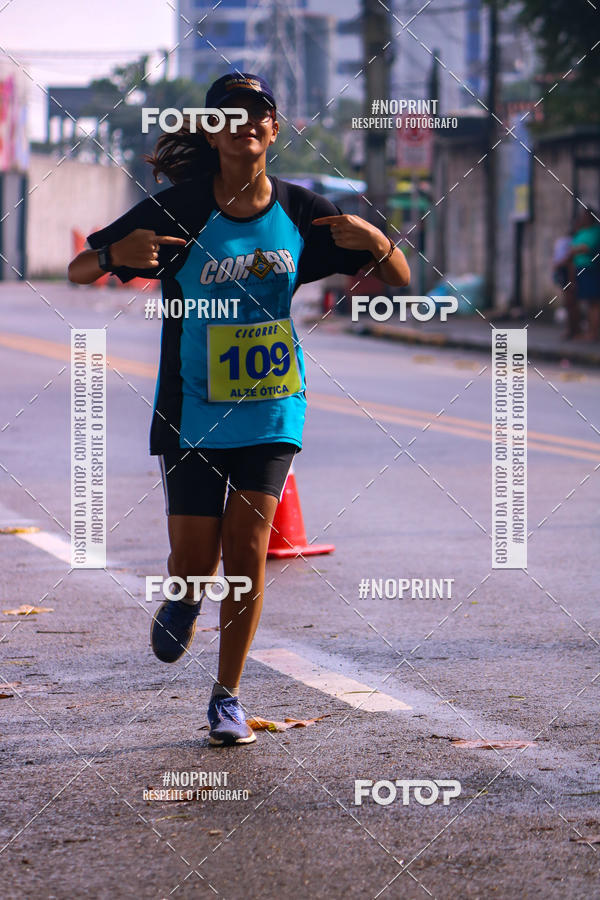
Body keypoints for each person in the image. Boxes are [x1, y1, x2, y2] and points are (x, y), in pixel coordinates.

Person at [67, 72, 410, 746]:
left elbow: (398, 279)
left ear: (274, 130)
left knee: (247, 550)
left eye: (260, 113)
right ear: (213, 130)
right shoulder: (179, 210)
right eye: (231, 115)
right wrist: (112, 255)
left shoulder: (303, 211)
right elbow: (80, 267)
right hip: (190, 407)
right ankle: (186, 592)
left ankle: (227, 695)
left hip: (272, 406)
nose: (247, 124)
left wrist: (374, 239)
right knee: (194, 556)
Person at [569, 207, 600, 341]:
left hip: (590, 268)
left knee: (594, 302)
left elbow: (587, 247)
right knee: (587, 301)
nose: (583, 218)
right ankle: (588, 331)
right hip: (578, 268)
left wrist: (574, 251)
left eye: (585, 216)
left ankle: (593, 333)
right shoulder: (581, 232)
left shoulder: (595, 231)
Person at [552, 228, 578, 339]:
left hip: (569, 274)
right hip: (565, 273)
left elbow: (568, 261)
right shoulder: (567, 242)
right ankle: (571, 329)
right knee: (569, 302)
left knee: (571, 303)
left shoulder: (570, 243)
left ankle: (573, 330)